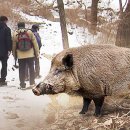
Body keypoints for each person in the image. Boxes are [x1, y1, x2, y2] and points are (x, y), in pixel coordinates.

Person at [12, 22, 39, 89]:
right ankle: (32, 83)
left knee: (21, 70)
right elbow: (35, 43)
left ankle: (22, 85)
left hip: (20, 55)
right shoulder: (29, 32)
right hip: (30, 54)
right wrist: (37, 53)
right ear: (24, 26)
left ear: (18, 26)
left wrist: (14, 55)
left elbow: (14, 46)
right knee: (31, 68)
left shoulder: (15, 34)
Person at [0, 16, 12, 86]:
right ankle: (2, 80)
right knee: (4, 65)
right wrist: (9, 49)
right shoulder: (7, 29)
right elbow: (8, 40)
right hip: (3, 51)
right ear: (5, 21)